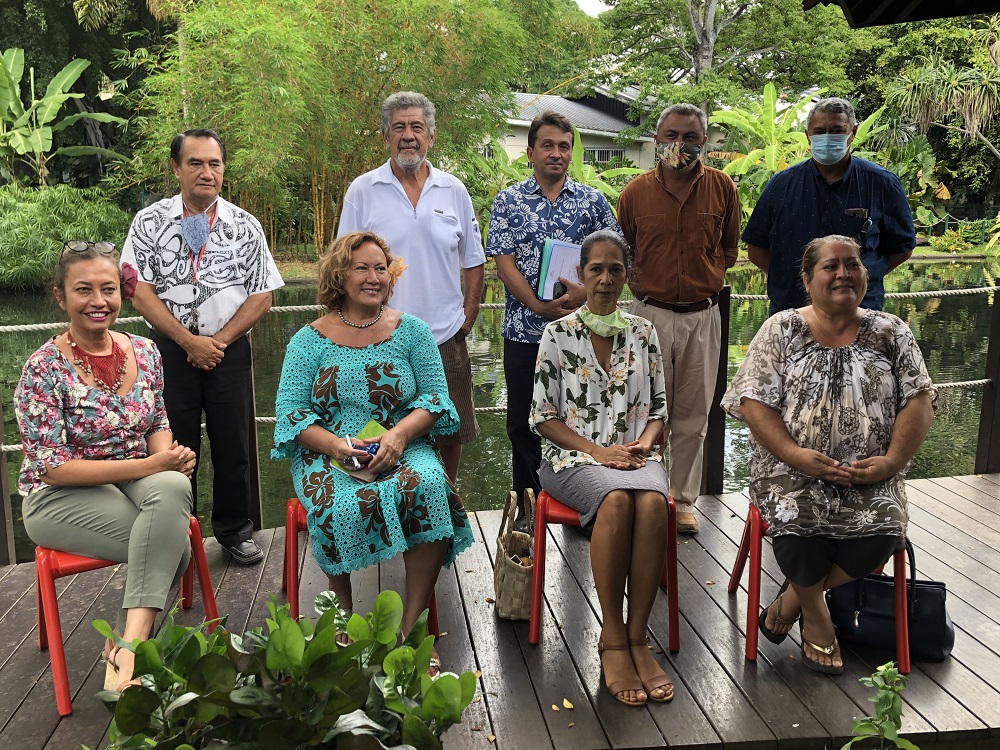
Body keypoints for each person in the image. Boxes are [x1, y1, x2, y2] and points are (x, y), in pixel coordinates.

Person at [721, 235, 935, 674]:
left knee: (885, 530)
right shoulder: (781, 329)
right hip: (789, 470)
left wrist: (892, 462)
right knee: (798, 527)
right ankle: (817, 619)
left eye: (852, 264)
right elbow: (752, 402)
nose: (843, 274)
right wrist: (795, 454)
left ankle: (790, 603)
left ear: (865, 274)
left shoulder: (892, 331)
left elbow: (919, 401)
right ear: (807, 280)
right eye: (831, 266)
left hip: (870, 472)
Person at [272, 231, 473, 669]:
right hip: (328, 450)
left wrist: (397, 436)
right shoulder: (308, 340)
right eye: (361, 268)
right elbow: (290, 413)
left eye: (381, 268)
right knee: (339, 502)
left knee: (429, 485)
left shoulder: (412, 331)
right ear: (339, 276)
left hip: (403, 441)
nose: (373, 277)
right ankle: (342, 615)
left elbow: (435, 399)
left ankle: (412, 630)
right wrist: (337, 446)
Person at [15, 241, 197, 692]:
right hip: (59, 496)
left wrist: (167, 461)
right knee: (174, 546)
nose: (98, 301)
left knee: (174, 486)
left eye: (108, 289)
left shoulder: (145, 351)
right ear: (60, 298)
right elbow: (52, 468)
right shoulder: (42, 369)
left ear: (122, 293)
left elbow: (157, 422)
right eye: (84, 290)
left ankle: (126, 648)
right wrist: (152, 465)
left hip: (134, 478)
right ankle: (128, 651)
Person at [121, 128, 284, 565]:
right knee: (174, 446)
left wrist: (217, 342)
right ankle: (178, 535)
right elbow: (138, 292)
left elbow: (262, 294)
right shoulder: (149, 222)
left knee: (234, 444)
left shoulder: (245, 225)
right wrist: (188, 341)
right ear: (176, 168)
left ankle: (234, 531)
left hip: (228, 351)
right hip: (169, 353)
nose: (206, 172)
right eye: (195, 163)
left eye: (214, 163)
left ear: (223, 170)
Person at [530, 230, 673, 706]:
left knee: (652, 503)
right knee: (615, 501)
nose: (606, 279)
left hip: (636, 454)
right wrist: (598, 451)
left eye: (615, 270)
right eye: (597, 269)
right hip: (572, 458)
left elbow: (659, 411)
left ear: (627, 276)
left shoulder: (644, 332)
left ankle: (638, 637)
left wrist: (642, 446)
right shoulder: (557, 334)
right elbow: (542, 418)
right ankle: (613, 638)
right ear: (581, 274)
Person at [337, 91, 484, 486]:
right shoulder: (363, 189)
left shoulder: (453, 190)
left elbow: (473, 259)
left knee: (451, 429)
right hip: (379, 337)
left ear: (431, 136)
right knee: (380, 428)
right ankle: (383, 505)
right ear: (385, 136)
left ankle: (447, 501)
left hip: (444, 334)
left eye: (417, 127)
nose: (408, 136)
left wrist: (468, 314)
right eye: (399, 127)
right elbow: (343, 262)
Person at [486, 110, 622, 523]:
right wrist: (536, 304)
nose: (556, 153)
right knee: (523, 423)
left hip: (582, 333)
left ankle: (586, 506)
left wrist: (584, 294)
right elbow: (504, 264)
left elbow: (615, 257)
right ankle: (528, 511)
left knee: (584, 417)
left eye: (564, 146)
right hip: (524, 331)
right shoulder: (509, 201)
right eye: (547, 145)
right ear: (530, 152)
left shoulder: (593, 202)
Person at [616, 103, 740, 534]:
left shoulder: (723, 187)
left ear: (703, 141)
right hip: (648, 315)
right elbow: (624, 253)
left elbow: (729, 250)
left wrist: (703, 279)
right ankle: (644, 495)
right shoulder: (635, 193)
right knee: (642, 410)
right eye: (670, 135)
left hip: (703, 316)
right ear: (657, 139)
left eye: (689, 137)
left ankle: (683, 500)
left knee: (692, 414)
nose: (679, 144)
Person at [743, 97, 915, 315]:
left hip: (860, 313)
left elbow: (902, 248)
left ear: (853, 132)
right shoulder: (781, 185)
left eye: (836, 130)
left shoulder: (882, 184)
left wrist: (859, 277)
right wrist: (796, 278)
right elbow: (756, 248)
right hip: (792, 311)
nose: (827, 137)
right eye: (819, 131)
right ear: (808, 135)